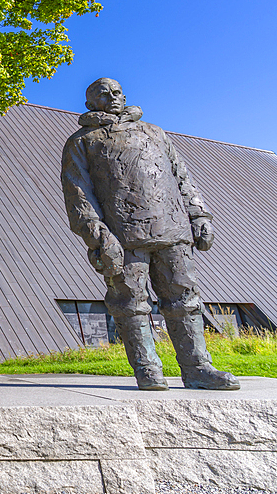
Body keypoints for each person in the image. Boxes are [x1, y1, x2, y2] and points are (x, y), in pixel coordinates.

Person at [61, 78, 238, 390]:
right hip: (123, 237)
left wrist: (198, 214)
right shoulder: (82, 141)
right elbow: (78, 194)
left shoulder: (155, 133)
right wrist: (99, 237)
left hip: (172, 229)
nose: (111, 97)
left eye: (116, 92)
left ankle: (198, 368)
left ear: (124, 96)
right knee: (130, 303)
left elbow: (181, 176)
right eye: (102, 94)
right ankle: (148, 370)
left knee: (185, 300)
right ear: (90, 104)